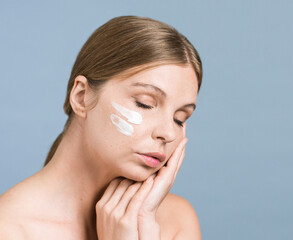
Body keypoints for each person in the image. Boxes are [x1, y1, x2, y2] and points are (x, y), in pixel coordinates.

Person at [0, 16, 202, 240]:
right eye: (144, 103)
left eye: (180, 118)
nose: (169, 133)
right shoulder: (9, 228)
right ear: (81, 97)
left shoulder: (176, 222)